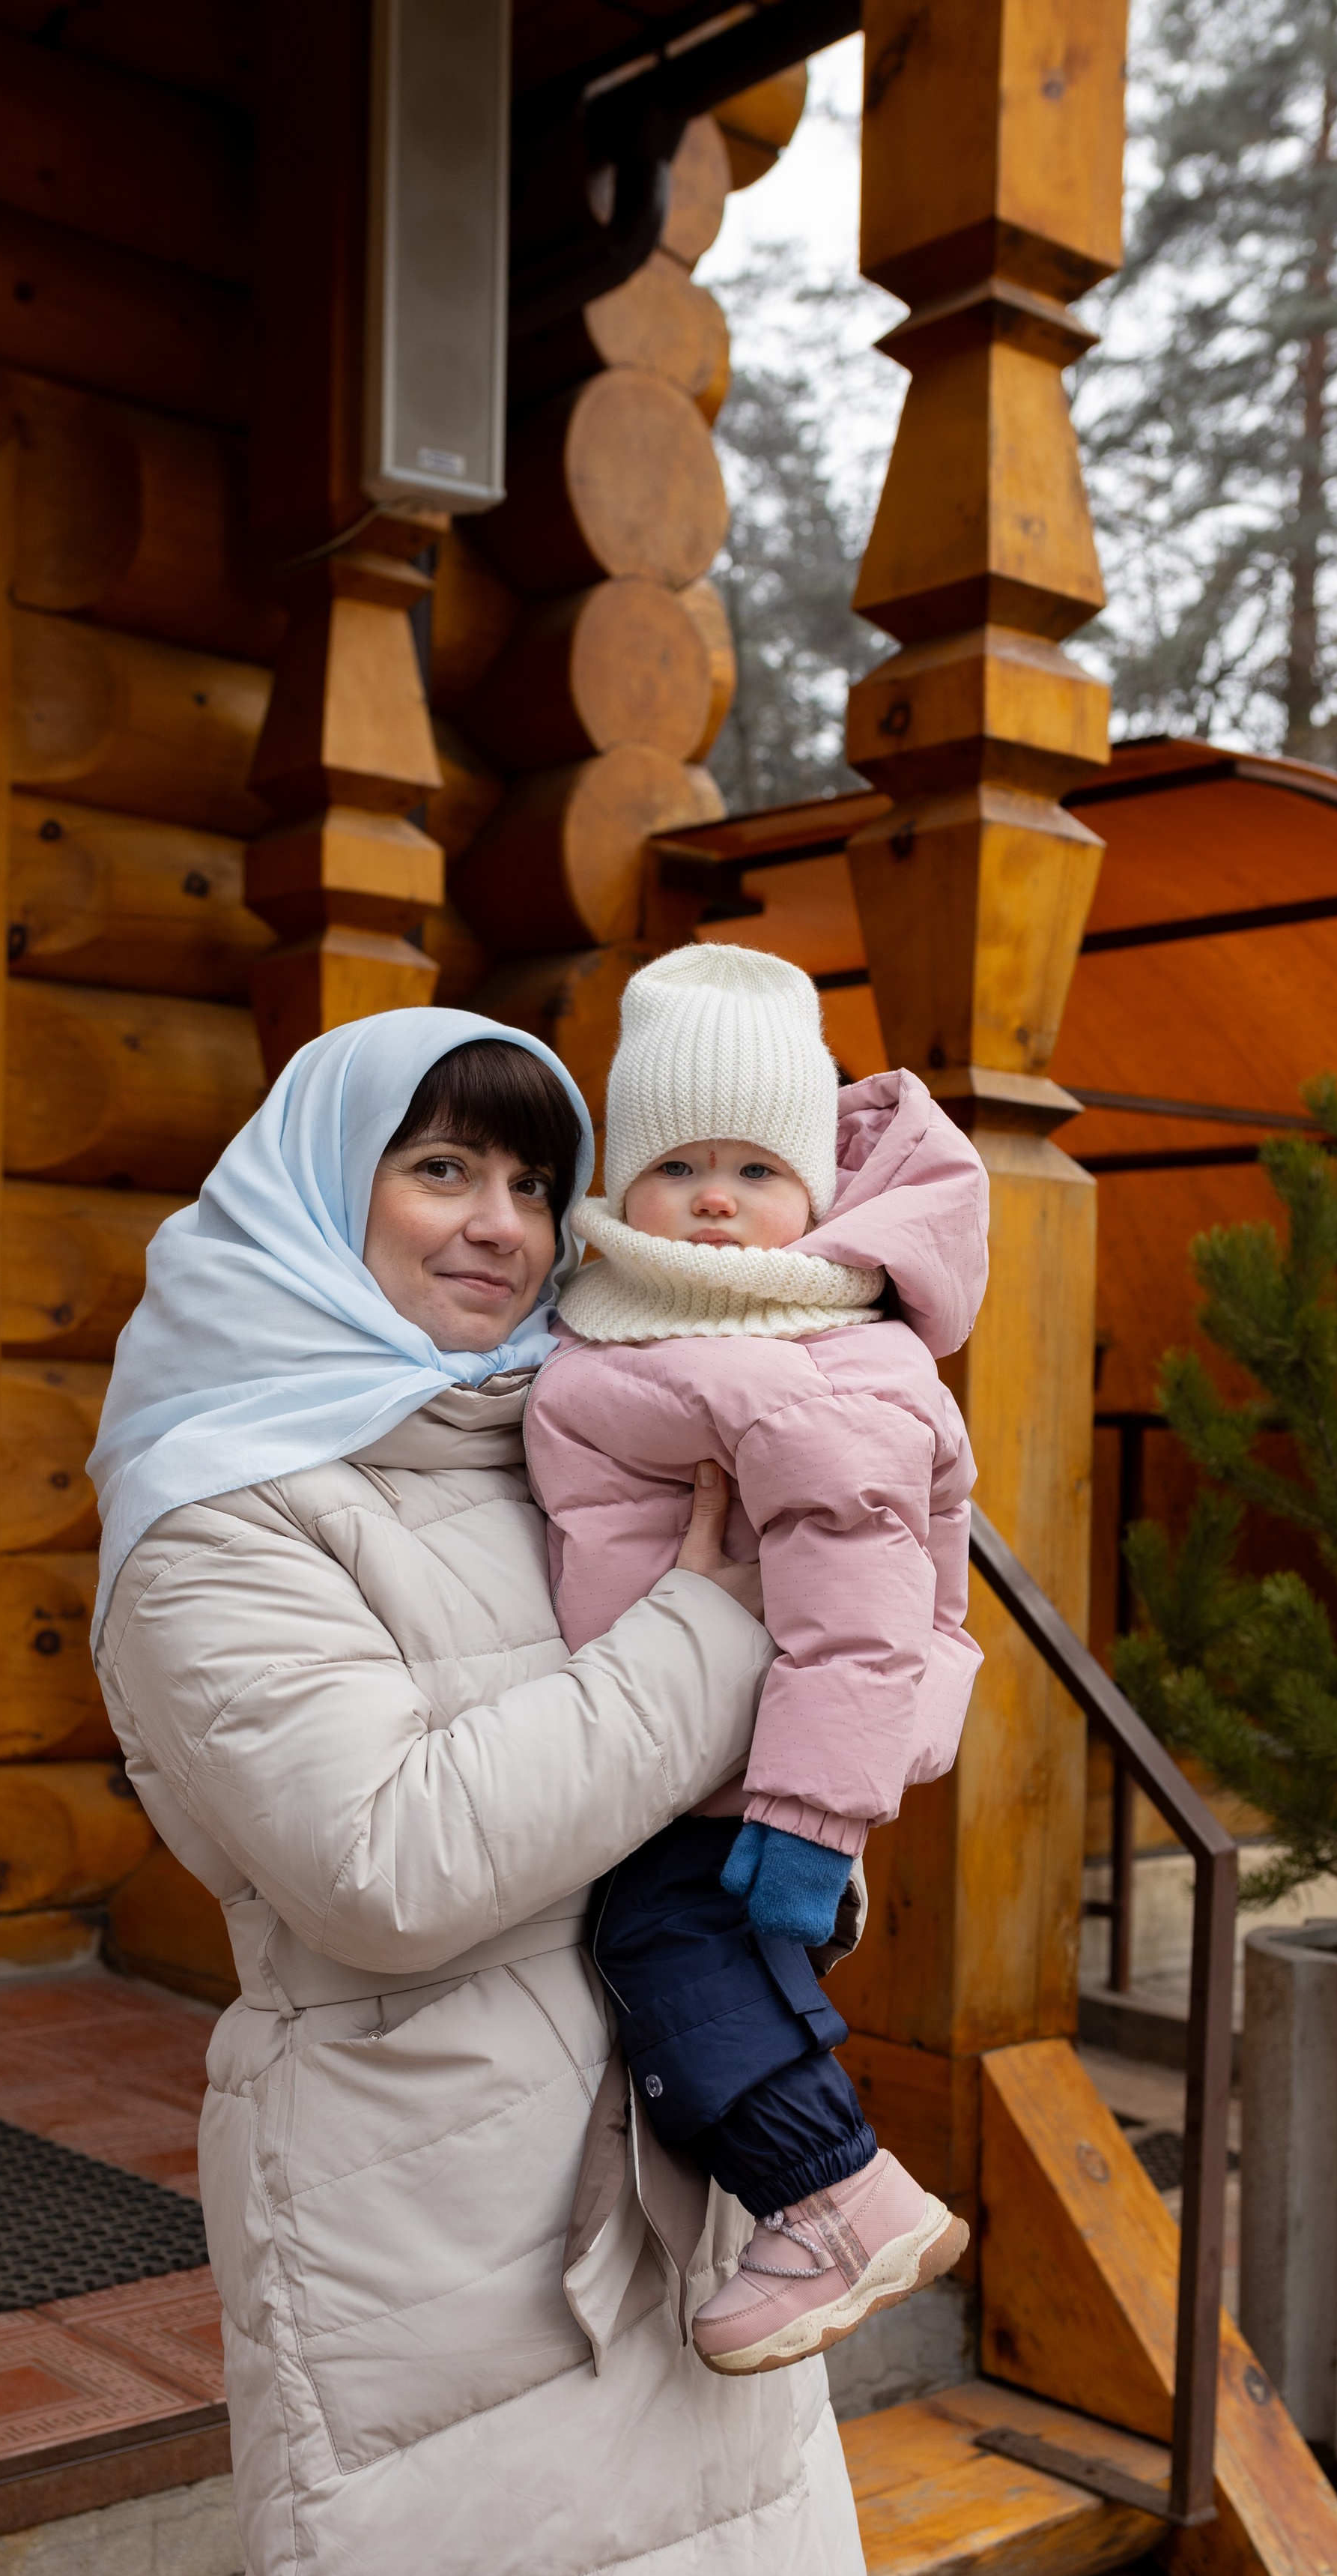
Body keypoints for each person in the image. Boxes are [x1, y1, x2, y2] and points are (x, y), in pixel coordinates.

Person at [87, 1008, 909, 2576]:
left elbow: (695, 1786)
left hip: (671, 2186)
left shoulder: (556, 1438)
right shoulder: (219, 1513)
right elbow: (387, 1863)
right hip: (431, 2234)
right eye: (440, 1167)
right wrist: (713, 1641)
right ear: (317, 1192)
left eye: (536, 1181)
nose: (501, 1226)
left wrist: (797, 1848)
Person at [524, 944, 990, 2383]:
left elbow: (859, 1590)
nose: (714, 1200)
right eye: (677, 1166)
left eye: (754, 1170)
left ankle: (835, 2196)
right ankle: (818, 2206)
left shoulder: (790, 1350)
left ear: (817, 1204)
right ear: (622, 1184)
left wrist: (807, 1819)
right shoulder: (665, 1320)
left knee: (665, 1947)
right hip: (709, 1739)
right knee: (691, 1966)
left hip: (755, 1768)